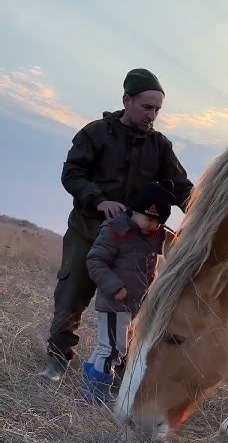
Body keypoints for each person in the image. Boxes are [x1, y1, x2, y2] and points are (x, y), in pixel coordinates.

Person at [40, 68, 193, 380]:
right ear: (127, 100)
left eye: (157, 110)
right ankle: (57, 360)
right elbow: (72, 174)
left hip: (134, 245)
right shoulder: (94, 133)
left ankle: (120, 369)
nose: (152, 115)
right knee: (71, 297)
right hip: (88, 231)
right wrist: (98, 200)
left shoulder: (160, 146)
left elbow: (181, 188)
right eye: (146, 107)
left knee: (130, 307)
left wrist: (204, 213)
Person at [82, 182, 175, 402]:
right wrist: (116, 287)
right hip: (115, 300)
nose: (153, 225)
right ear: (134, 210)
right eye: (149, 218)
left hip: (134, 302)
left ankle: (91, 378)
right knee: (113, 349)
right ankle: (97, 393)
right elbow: (95, 260)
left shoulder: (156, 234)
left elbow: (173, 242)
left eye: (158, 221)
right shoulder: (115, 230)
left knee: (107, 345)